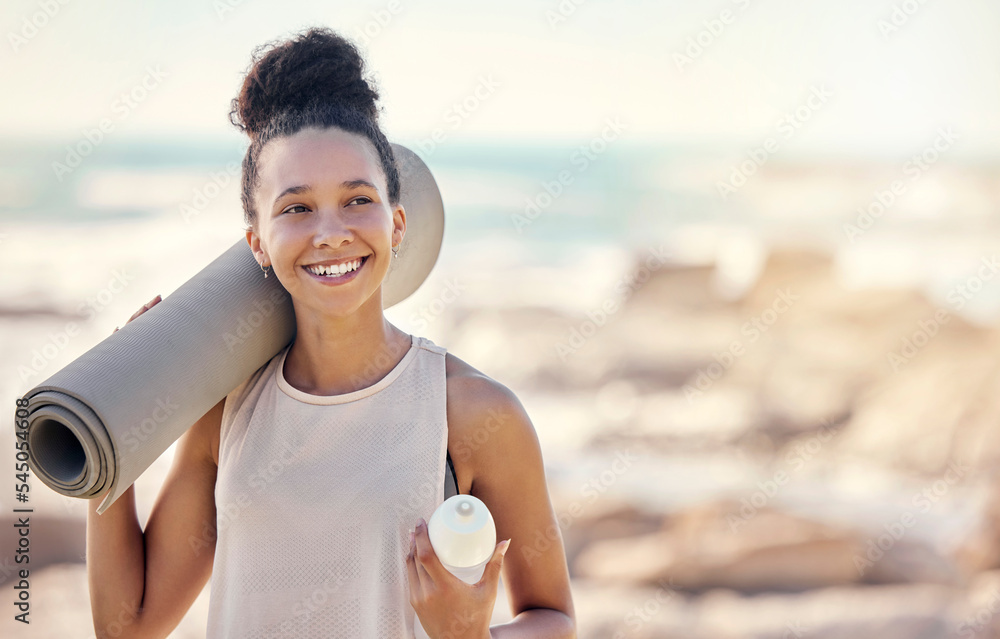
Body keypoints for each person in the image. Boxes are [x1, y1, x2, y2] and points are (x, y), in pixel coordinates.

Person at [86, 25, 576, 639]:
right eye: (295, 208)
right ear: (257, 243)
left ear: (397, 223)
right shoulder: (227, 404)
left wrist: (470, 637)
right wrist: (112, 427)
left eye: (357, 200)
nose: (331, 233)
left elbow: (554, 619)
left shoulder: (473, 413)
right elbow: (126, 625)